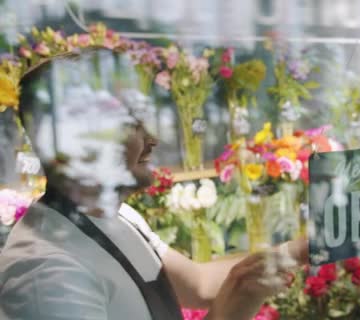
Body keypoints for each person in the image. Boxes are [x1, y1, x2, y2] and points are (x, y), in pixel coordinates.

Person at [0, 50, 308, 319]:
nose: (152, 139)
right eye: (130, 123)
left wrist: (306, 248)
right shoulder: (47, 276)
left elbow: (199, 283)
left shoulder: (115, 216)